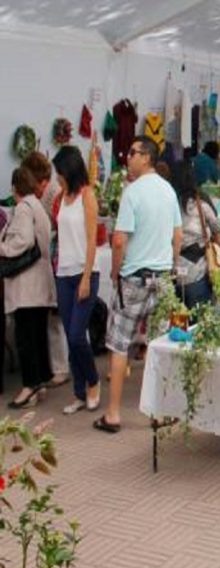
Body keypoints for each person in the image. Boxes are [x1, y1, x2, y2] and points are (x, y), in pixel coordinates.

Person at [95, 136, 182, 433]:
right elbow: (177, 235)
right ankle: (158, 413)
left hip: (134, 277)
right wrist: (172, 265)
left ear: (146, 157)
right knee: (158, 346)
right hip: (162, 279)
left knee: (119, 345)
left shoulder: (132, 193)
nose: (127, 157)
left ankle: (114, 413)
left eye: (132, 152)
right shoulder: (169, 191)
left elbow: (119, 240)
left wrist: (115, 272)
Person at [52, 146, 102, 414]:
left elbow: (93, 240)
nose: (56, 176)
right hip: (63, 273)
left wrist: (86, 277)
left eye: (59, 171)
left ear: (69, 170)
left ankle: (93, 381)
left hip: (84, 273)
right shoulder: (62, 198)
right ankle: (79, 393)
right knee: (70, 338)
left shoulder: (87, 196)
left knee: (76, 335)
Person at [2, 168, 56, 409]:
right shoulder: (38, 207)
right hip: (40, 283)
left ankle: (29, 385)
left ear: (15, 188)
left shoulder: (23, 208)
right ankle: (41, 381)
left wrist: (3, 249)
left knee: (26, 338)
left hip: (27, 285)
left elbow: (23, 239)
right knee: (38, 335)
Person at [21, 151, 70, 388]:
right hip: (52, 256)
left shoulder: (49, 194)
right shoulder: (47, 193)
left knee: (55, 318)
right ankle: (56, 367)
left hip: (54, 257)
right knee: (53, 317)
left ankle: (60, 367)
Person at [169, 160, 220, 308]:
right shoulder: (201, 204)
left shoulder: (169, 204)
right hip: (198, 273)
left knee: (177, 323)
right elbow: (218, 230)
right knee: (198, 323)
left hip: (173, 274)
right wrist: (215, 251)